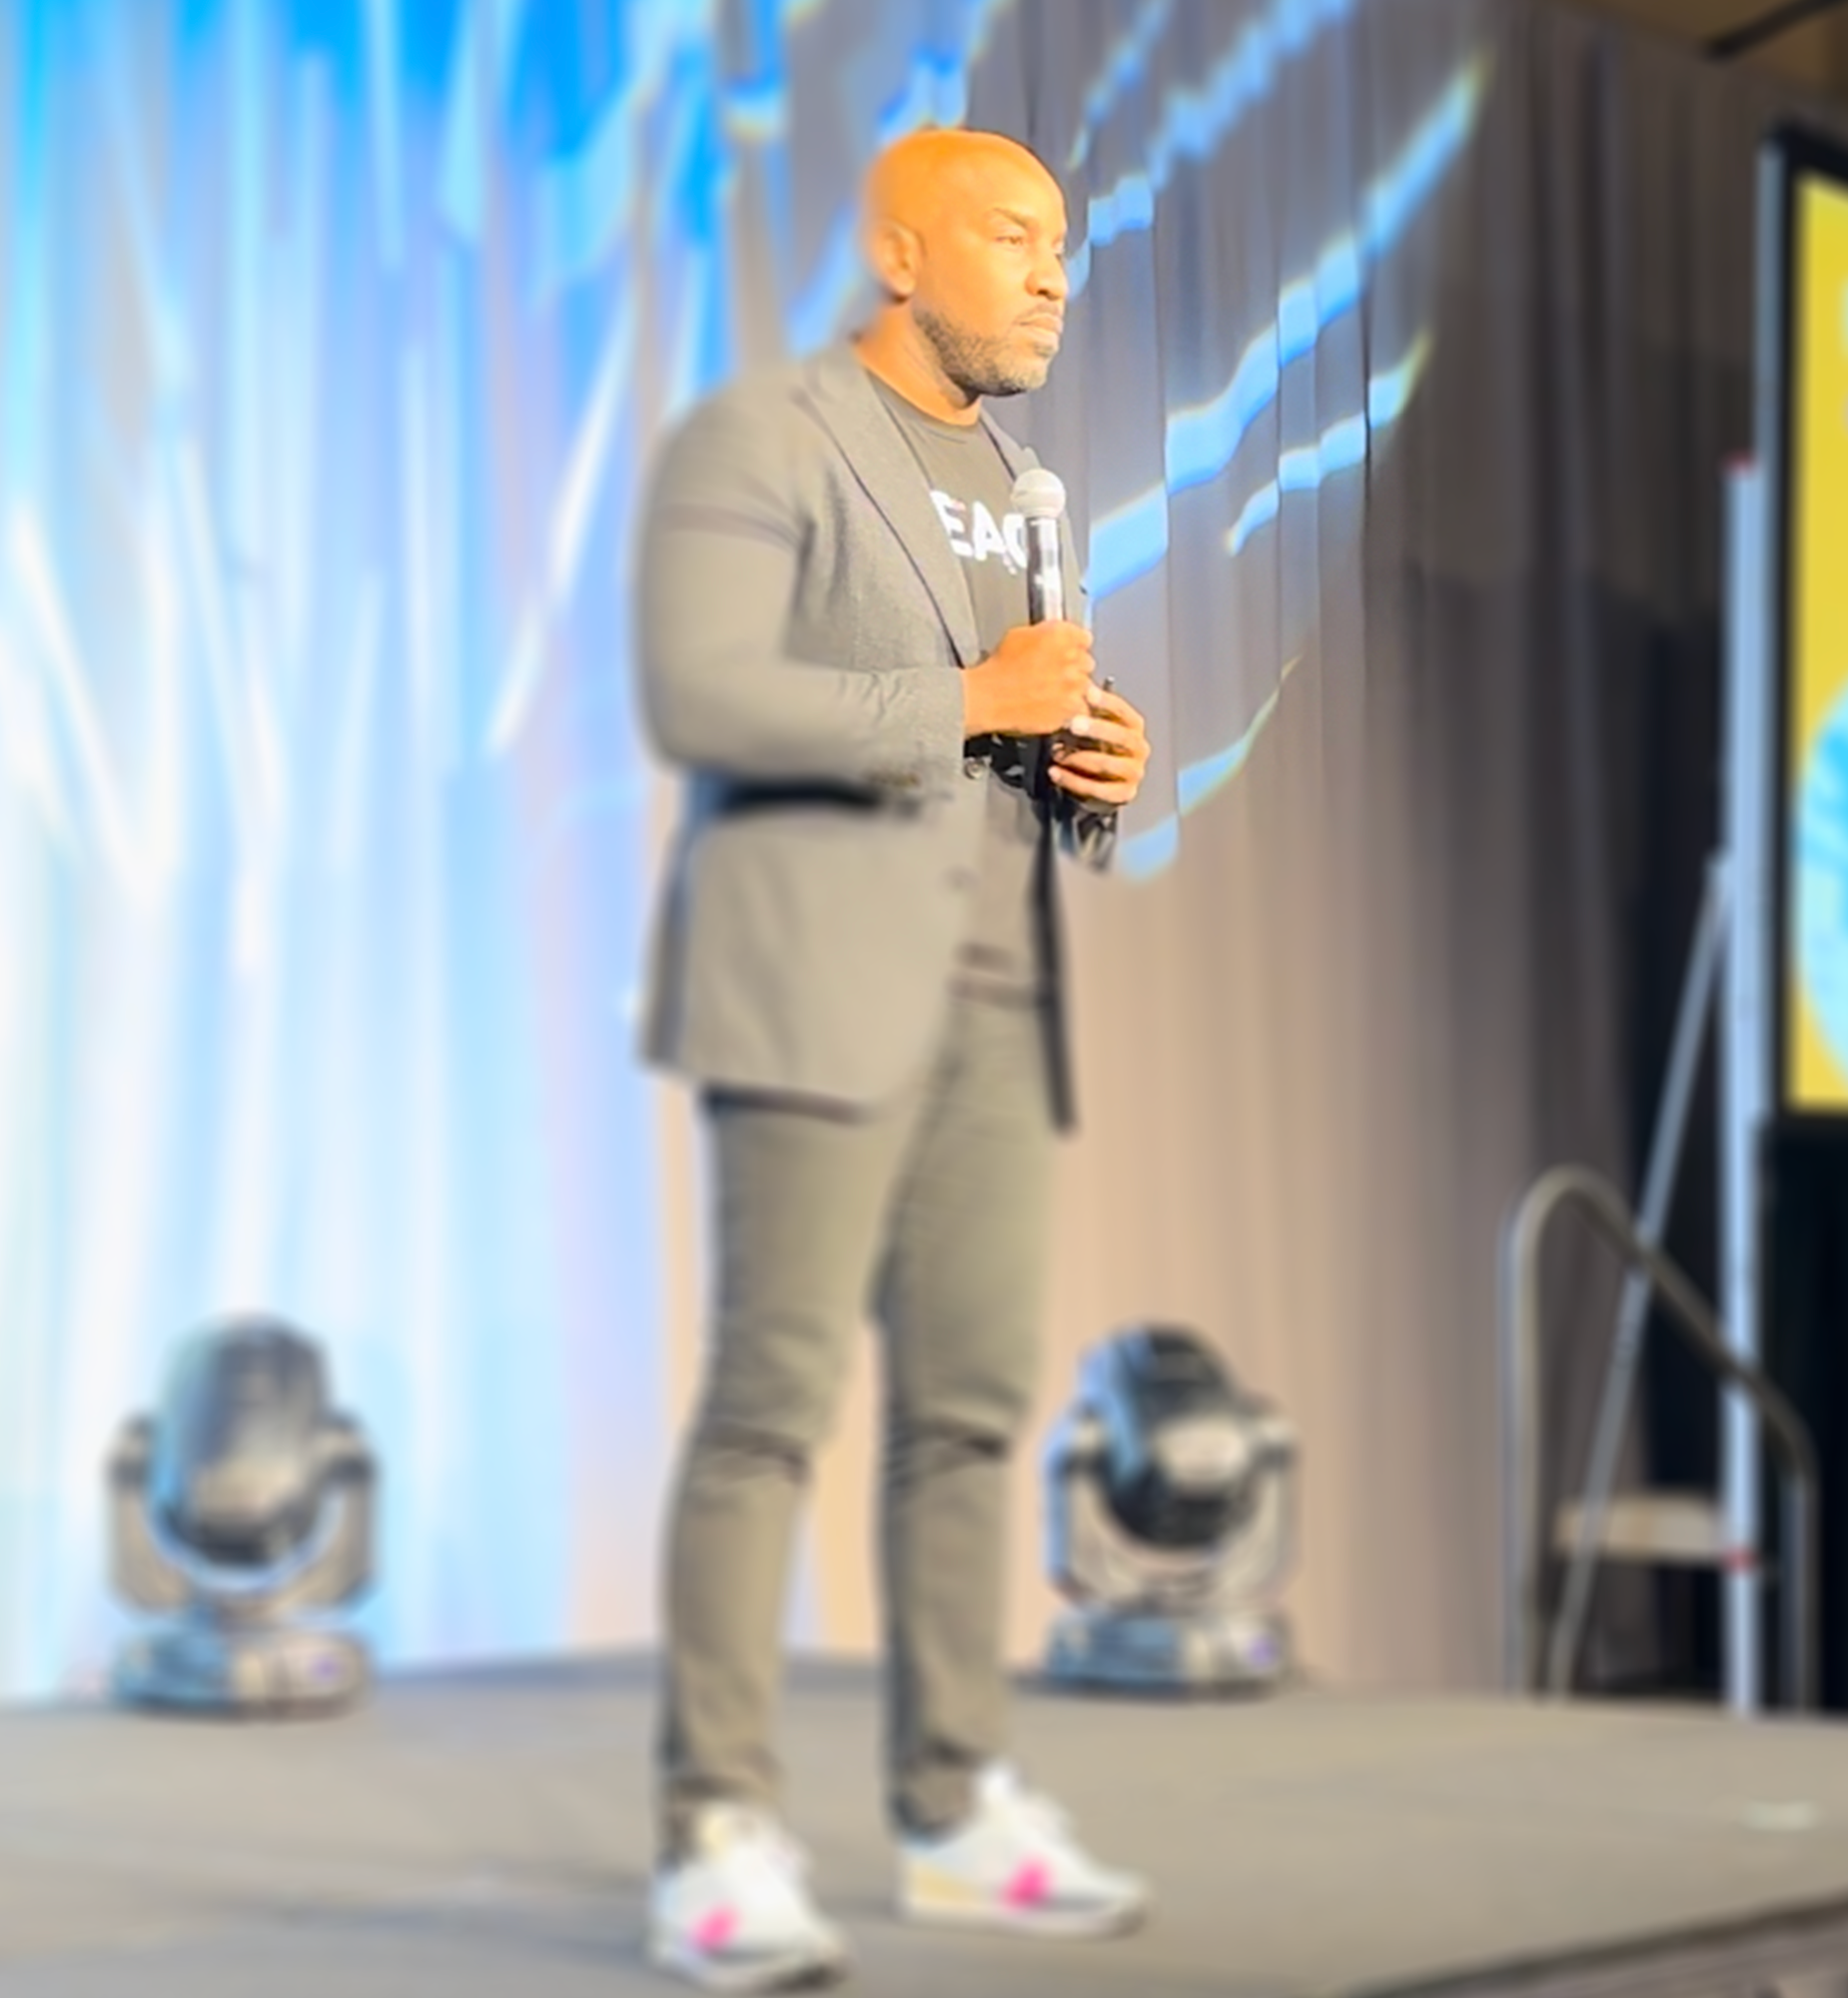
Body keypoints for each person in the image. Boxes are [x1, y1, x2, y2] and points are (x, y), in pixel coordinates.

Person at [629, 126, 1155, 1992]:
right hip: (811, 985)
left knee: (972, 1416)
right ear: (899, 250)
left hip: (999, 996)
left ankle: (951, 1809)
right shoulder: (763, 434)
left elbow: (1022, 742)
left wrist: (1092, 770)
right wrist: (962, 703)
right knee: (771, 1405)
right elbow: (699, 694)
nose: (1051, 275)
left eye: (1067, 250)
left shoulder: (1035, 488)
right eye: (1014, 237)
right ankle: (715, 1831)